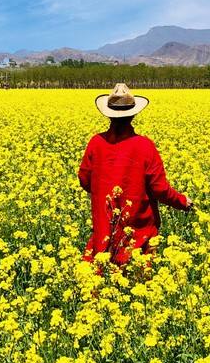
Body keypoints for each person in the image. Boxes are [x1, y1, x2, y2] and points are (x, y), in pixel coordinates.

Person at [78, 83, 192, 267]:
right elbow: (159, 189)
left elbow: (84, 180)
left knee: (100, 281)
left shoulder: (96, 143)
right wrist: (182, 201)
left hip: (104, 227)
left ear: (108, 114)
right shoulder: (145, 146)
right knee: (138, 281)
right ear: (133, 114)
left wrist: (104, 192)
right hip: (138, 233)